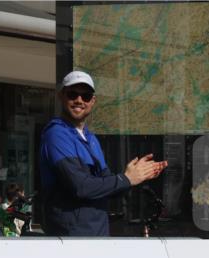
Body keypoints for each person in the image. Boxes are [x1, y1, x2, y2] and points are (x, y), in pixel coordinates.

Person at [39, 70, 166, 236]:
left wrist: (136, 176)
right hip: (71, 240)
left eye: (85, 96)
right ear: (61, 96)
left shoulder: (91, 138)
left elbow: (106, 186)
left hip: (97, 236)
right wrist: (126, 179)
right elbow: (81, 186)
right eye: (73, 94)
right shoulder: (56, 134)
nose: (79, 100)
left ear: (93, 101)